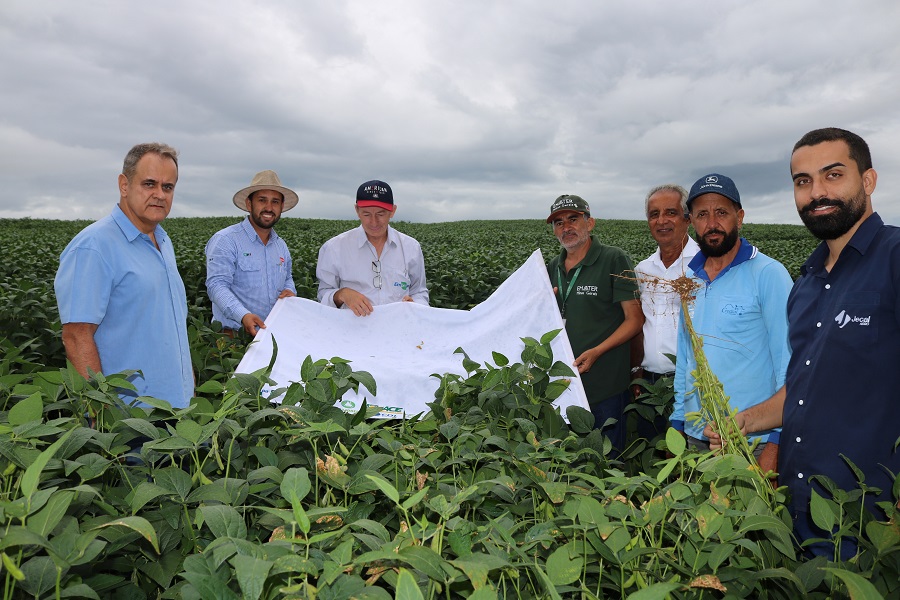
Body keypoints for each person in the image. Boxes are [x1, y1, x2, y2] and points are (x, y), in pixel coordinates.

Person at [705, 128, 900, 557]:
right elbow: (805, 386)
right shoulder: (807, 284)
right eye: (802, 181)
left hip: (871, 517)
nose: (817, 193)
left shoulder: (894, 258)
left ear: (868, 181)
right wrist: (748, 420)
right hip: (800, 511)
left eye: (833, 175)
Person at [54, 142, 193, 407]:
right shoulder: (94, 246)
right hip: (130, 419)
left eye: (168, 187)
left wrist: (189, 389)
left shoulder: (163, 242)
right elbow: (76, 335)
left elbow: (170, 328)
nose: (160, 195)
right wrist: (102, 411)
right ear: (124, 185)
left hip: (177, 410)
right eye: (149, 184)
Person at [671, 174, 792, 472]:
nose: (712, 223)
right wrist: (678, 422)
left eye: (721, 212)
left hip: (753, 438)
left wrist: (775, 444)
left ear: (739, 217)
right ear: (691, 222)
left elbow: (789, 365)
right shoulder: (690, 279)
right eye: (702, 214)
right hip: (698, 435)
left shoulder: (768, 274)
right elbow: (686, 358)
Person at [546, 194, 643, 451]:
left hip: (605, 385)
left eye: (573, 219)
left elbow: (634, 320)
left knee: (608, 463)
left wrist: (598, 351)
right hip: (565, 387)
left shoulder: (614, 259)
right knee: (572, 464)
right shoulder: (552, 267)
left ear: (590, 223)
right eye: (558, 222)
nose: (566, 227)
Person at [631, 184, 699, 437]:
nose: (661, 221)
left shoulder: (705, 264)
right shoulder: (642, 270)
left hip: (694, 385)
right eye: (653, 214)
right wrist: (636, 373)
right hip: (650, 385)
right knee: (651, 458)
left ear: (687, 218)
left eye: (670, 212)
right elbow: (639, 325)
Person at [205, 170, 298, 335]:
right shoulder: (226, 240)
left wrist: (290, 291)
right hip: (233, 338)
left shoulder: (281, 246)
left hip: (272, 335)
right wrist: (243, 315)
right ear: (249, 204)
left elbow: (288, 278)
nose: (269, 207)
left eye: (275, 202)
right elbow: (216, 286)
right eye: (262, 200)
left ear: (281, 207)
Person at [317, 180, 428, 316]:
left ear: (392, 211)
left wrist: (416, 305)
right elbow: (323, 295)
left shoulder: (411, 247)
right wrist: (341, 294)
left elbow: (419, 292)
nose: (374, 222)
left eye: (380, 214)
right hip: (352, 331)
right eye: (366, 214)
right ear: (357, 210)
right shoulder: (334, 248)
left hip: (399, 328)